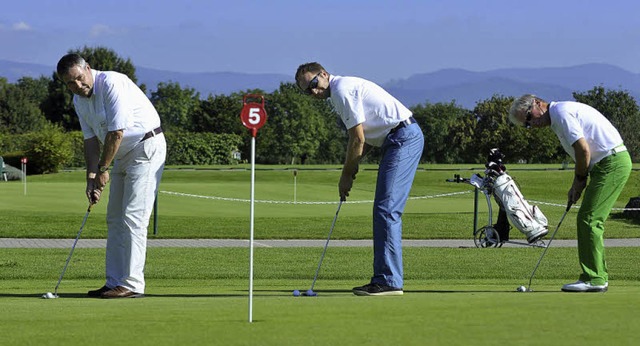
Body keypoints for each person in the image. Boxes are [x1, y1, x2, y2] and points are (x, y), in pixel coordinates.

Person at [295, 62, 424, 296]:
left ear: (323, 74)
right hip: (395, 140)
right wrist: (352, 170)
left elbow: (357, 139)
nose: (313, 92)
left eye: (314, 84)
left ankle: (388, 281)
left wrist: (346, 176)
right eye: (307, 91)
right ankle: (387, 278)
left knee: (386, 210)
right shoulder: (338, 92)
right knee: (384, 209)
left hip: (403, 137)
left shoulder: (342, 90)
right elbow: (363, 138)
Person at [57, 53, 166, 298]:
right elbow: (90, 142)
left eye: (79, 78)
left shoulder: (112, 83)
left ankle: (133, 284)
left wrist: (103, 171)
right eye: (70, 83)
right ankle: (114, 281)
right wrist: (91, 177)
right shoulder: (79, 101)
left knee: (133, 217)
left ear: (88, 68)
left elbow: (116, 132)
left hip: (146, 146)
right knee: (115, 218)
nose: (77, 85)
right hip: (122, 154)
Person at [509, 94, 631, 292]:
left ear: (537, 103)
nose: (533, 124)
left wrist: (579, 182)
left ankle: (595, 278)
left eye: (530, 117)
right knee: (588, 219)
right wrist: (579, 183)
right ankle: (596, 276)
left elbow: (583, 151)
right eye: (527, 125)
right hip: (605, 164)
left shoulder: (561, 113)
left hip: (611, 162)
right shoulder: (558, 117)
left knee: (589, 219)